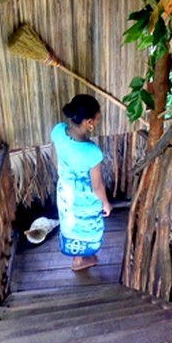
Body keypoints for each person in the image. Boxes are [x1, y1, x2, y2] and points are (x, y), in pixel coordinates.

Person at [51, 94, 113, 271]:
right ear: (88, 122)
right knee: (86, 226)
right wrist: (106, 203)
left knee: (71, 223)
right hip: (84, 199)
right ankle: (80, 261)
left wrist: (67, 177)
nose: (98, 121)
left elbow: (54, 159)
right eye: (97, 118)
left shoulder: (58, 131)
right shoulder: (91, 152)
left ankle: (77, 258)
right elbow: (97, 187)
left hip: (66, 192)